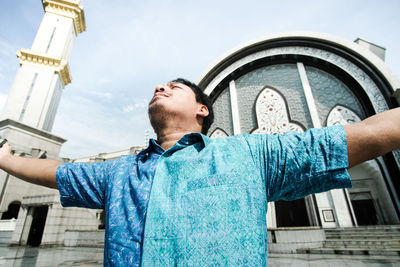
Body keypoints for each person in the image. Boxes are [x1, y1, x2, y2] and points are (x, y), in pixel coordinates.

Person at [0, 78, 399, 266]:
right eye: (157, 85)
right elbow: (57, 171)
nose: (159, 86)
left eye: (173, 86)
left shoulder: (249, 155)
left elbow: (362, 134)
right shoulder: (120, 173)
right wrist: (4, 158)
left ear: (202, 110)